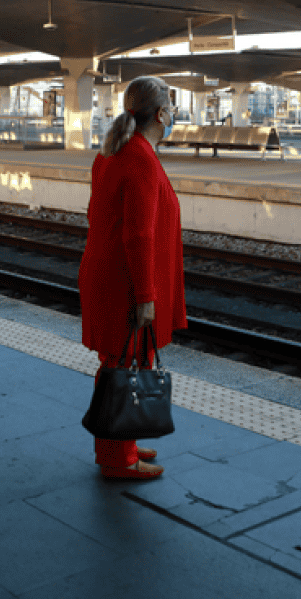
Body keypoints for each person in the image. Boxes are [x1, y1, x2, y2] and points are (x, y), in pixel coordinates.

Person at [78, 76, 186, 480]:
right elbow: (138, 234)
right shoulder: (139, 156)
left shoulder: (113, 152)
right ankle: (117, 458)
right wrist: (146, 295)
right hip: (125, 282)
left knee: (120, 363)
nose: (173, 115)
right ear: (160, 115)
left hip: (109, 273)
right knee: (124, 364)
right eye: (171, 107)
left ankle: (119, 438)